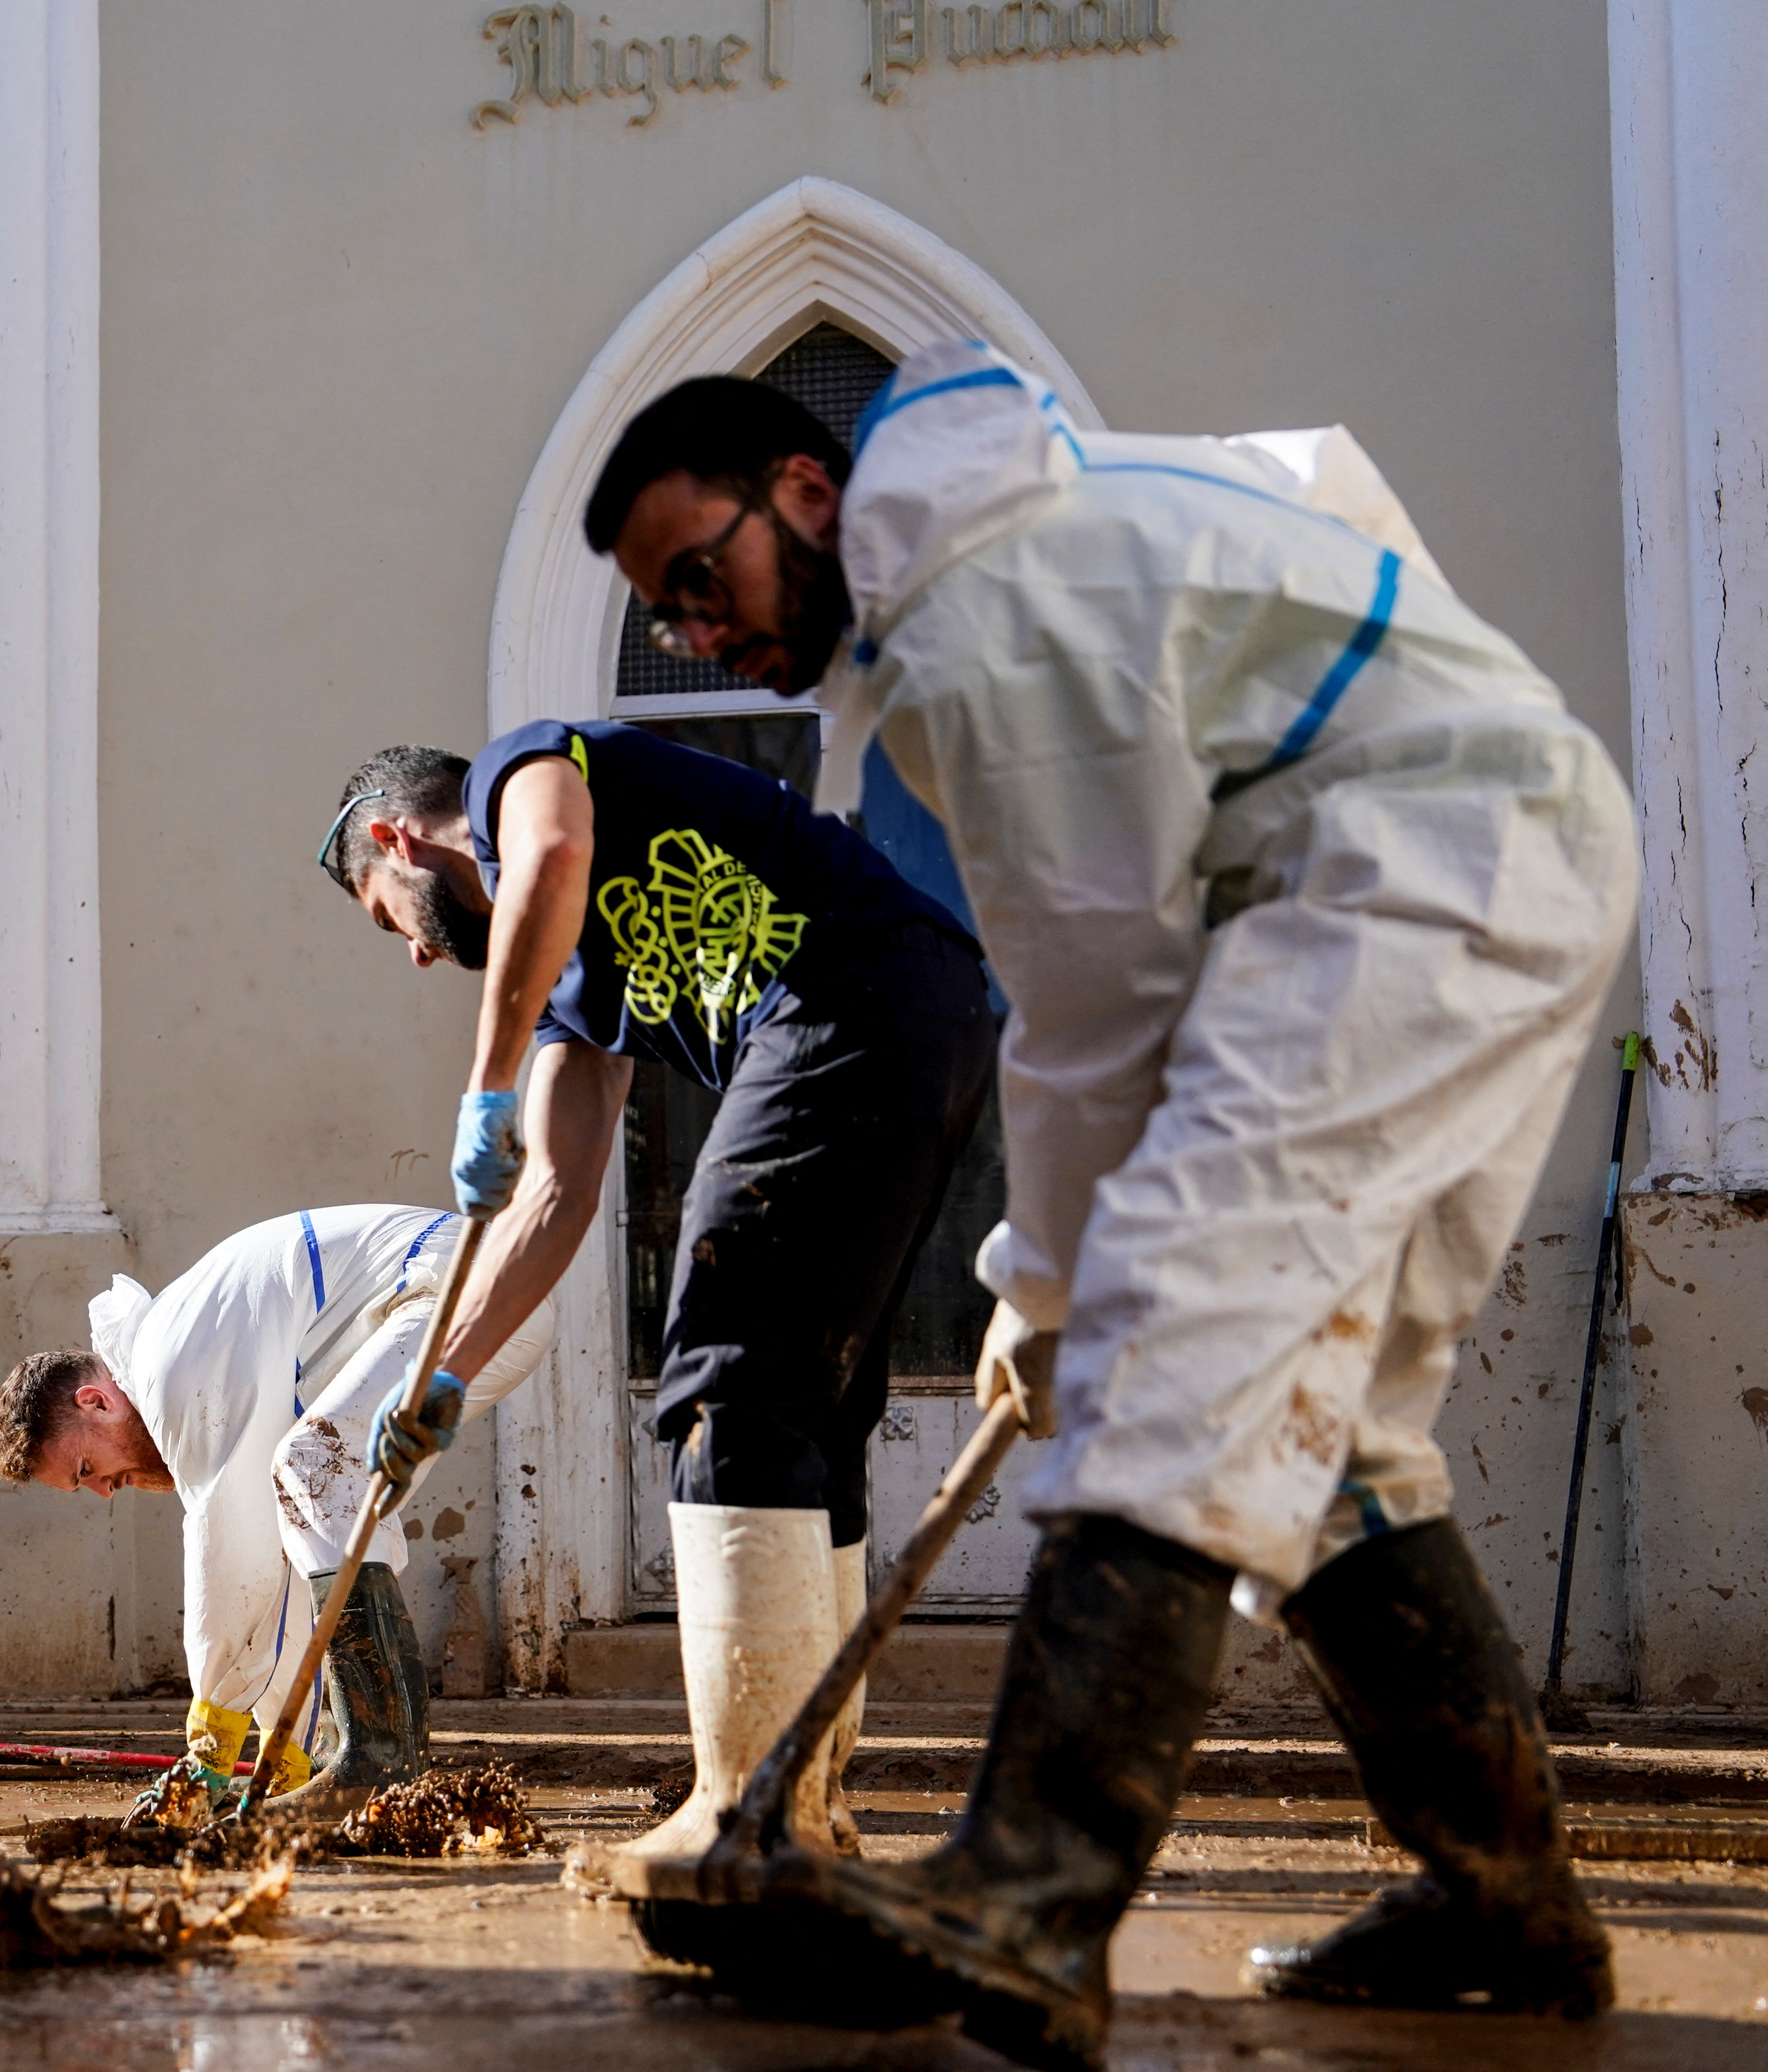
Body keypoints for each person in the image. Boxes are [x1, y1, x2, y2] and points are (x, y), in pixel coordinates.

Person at [589, 352, 1637, 2066]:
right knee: (1335, 1429)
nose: (697, 630)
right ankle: (1504, 1896)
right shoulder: (1005, 552)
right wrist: (1055, 1290)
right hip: (1472, 847)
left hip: (1412, 864)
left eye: (700, 574)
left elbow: (1094, 1018)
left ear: (805, 494)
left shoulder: (979, 613)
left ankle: (1036, 1886)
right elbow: (1111, 996)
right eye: (664, 614)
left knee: (1183, 1316)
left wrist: (1055, 1289)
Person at [319, 696, 997, 1873]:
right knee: (806, 1406)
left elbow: (553, 847)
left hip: (847, 986)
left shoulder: (514, 771)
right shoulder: (575, 992)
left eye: (391, 927)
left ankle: (743, 1813)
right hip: (919, 1019)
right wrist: (440, 1377)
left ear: (396, 840)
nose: (421, 954)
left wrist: (481, 1077)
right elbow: (550, 1199)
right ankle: (808, 1802)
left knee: (728, 1368)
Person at [0, 1206, 554, 1812]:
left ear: (97, 1402)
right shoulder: (187, 1348)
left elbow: (230, 1555)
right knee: (316, 1481)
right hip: (472, 1294)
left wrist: (207, 1751)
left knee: (311, 1464)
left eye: (86, 1469)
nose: (106, 1490)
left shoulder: (169, 1369)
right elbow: (279, 1568)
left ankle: (383, 1757)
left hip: (465, 1289)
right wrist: (282, 1757)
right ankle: (351, 1754)